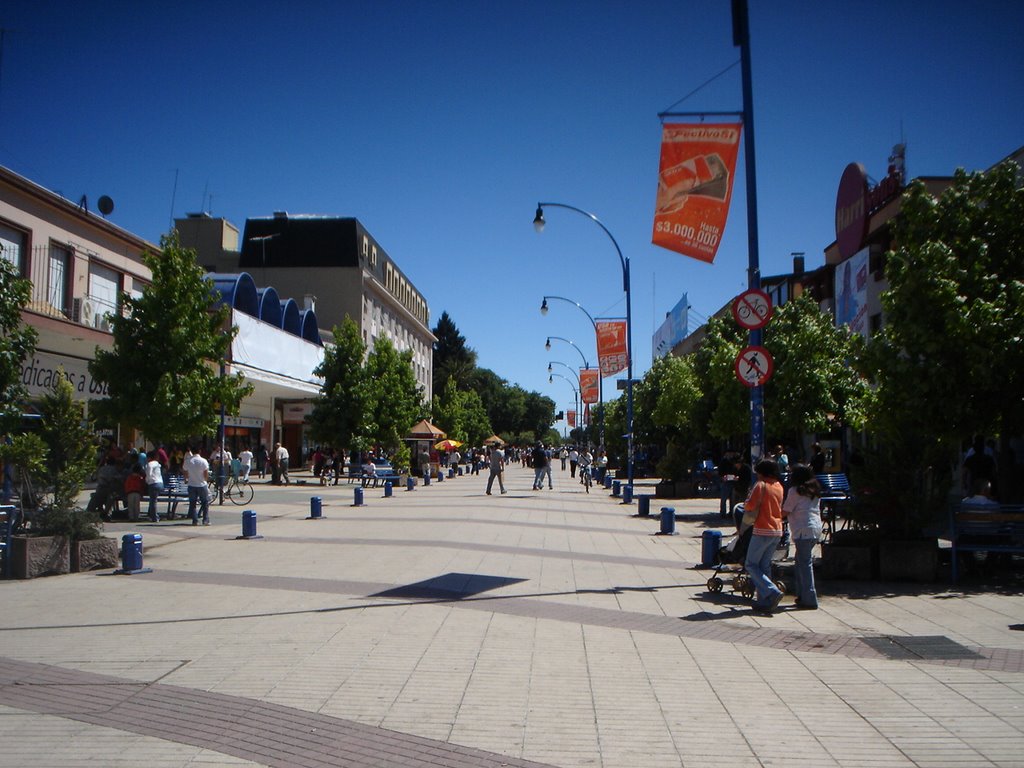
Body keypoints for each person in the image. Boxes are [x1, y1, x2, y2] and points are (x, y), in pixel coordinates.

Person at [739, 458, 785, 615]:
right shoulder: (779, 486)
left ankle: (772, 591)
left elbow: (750, 505)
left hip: (762, 529)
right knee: (765, 566)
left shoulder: (760, 485)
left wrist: (746, 502)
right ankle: (764, 601)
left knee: (751, 564)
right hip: (777, 530)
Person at [782, 464, 822, 610]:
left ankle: (810, 598)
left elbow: (786, 510)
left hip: (802, 529)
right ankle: (801, 594)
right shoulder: (815, 490)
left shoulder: (794, 491)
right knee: (800, 562)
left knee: (805, 564)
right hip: (815, 528)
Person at [184, 445, 210, 526]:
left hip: (191, 484)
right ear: (200, 451)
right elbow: (206, 473)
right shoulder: (203, 461)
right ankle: (205, 520)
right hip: (202, 484)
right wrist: (205, 480)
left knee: (193, 504)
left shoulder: (188, 461)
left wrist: (186, 479)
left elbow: (185, 471)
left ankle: (195, 520)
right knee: (205, 503)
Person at [144, 454, 164, 522]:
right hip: (160, 483)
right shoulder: (157, 464)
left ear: (149, 458)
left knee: (153, 501)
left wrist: (147, 481)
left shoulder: (149, 464)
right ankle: (151, 514)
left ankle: (155, 517)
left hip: (153, 483)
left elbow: (148, 474)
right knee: (153, 500)